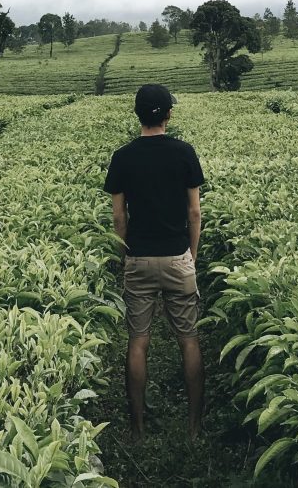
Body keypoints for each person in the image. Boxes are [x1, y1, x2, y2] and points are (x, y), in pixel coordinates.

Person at [103, 83, 205, 440]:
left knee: (138, 340)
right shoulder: (184, 153)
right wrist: (191, 255)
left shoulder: (122, 157)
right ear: (168, 114)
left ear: (137, 114)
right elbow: (194, 211)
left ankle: (137, 428)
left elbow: (118, 216)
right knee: (189, 339)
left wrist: (124, 253)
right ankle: (193, 427)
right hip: (178, 257)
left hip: (139, 258)